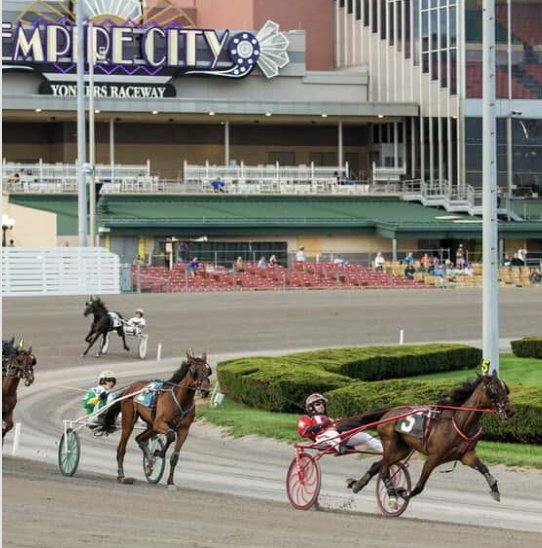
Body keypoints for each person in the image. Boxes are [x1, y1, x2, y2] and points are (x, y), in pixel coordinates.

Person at [297, 394, 382, 454]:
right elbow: (304, 431)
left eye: (323, 403)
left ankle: (384, 450)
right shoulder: (306, 418)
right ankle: (340, 448)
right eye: (317, 404)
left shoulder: (329, 418)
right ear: (310, 407)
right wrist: (321, 425)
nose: (321, 406)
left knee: (363, 435)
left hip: (338, 436)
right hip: (322, 439)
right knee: (331, 433)